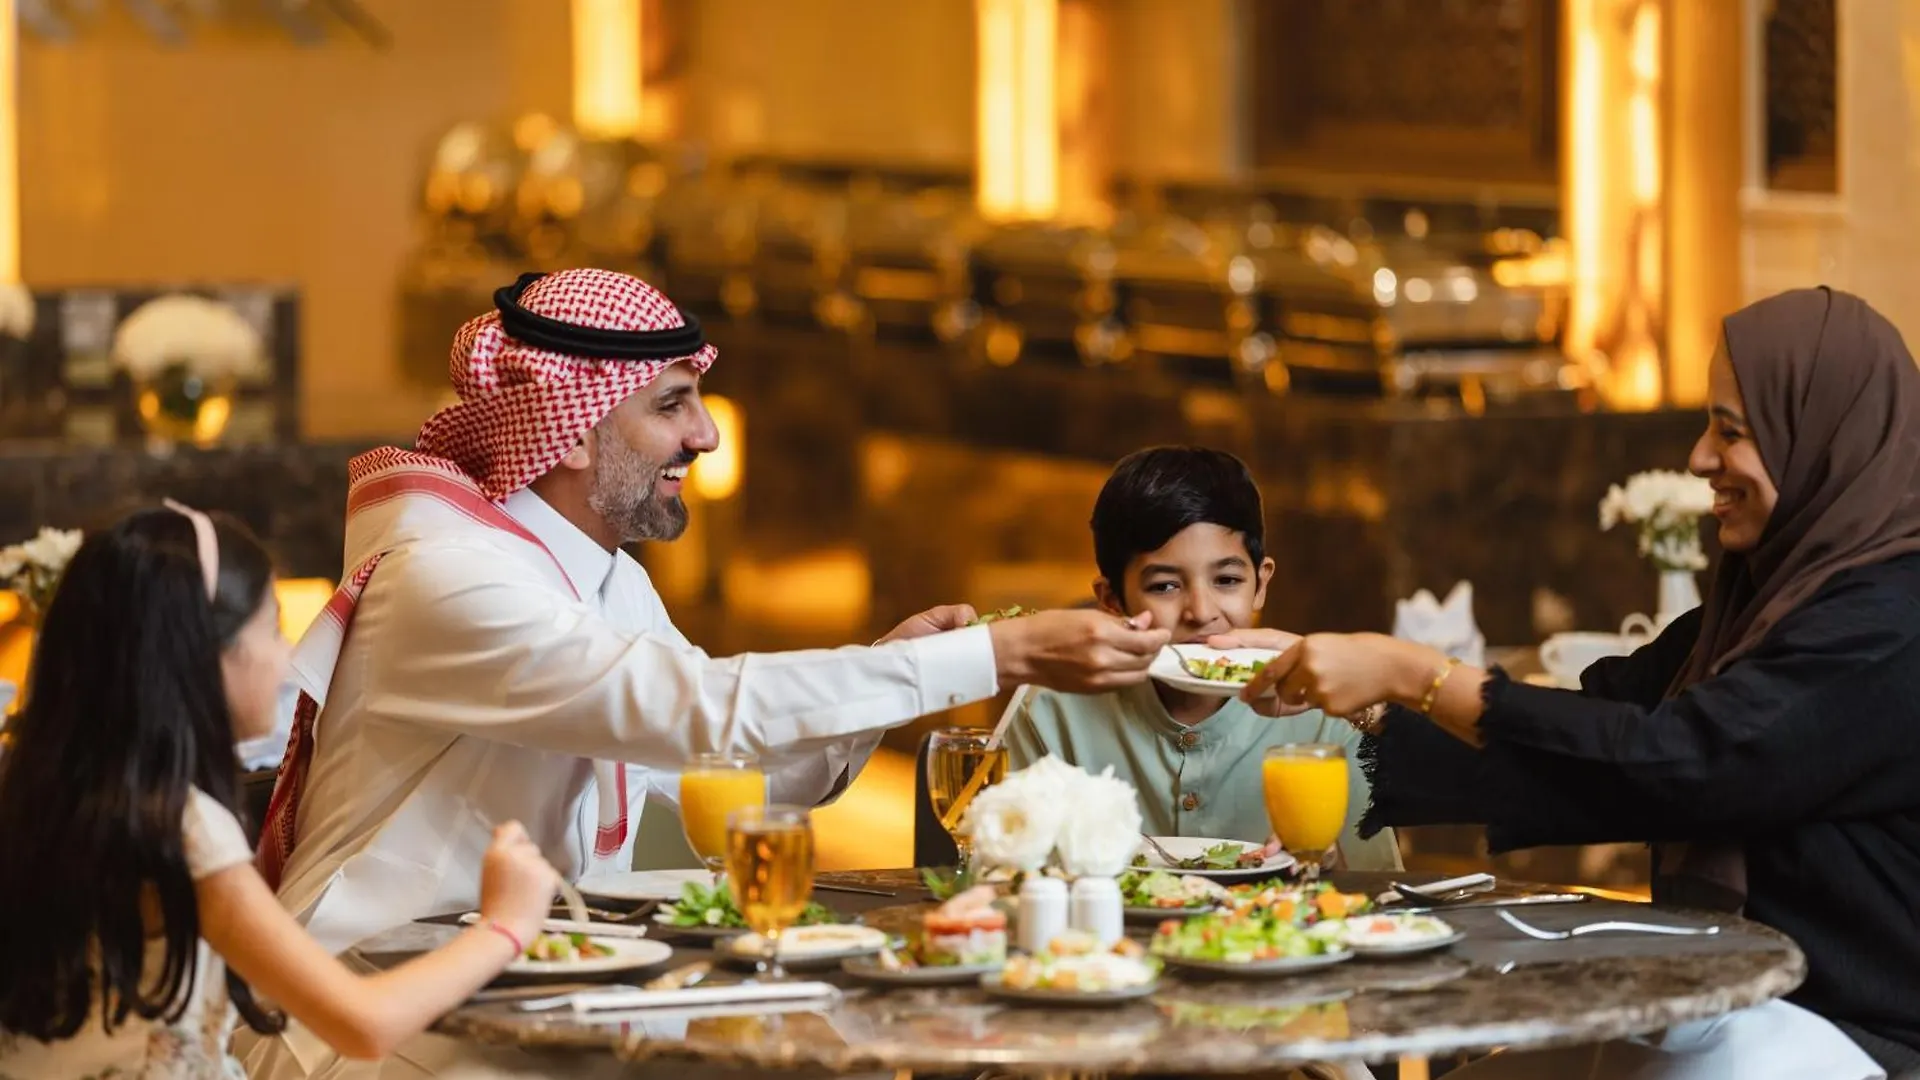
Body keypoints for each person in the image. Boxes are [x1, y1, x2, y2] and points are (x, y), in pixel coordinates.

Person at [244, 270, 1168, 1077]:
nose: (707, 436)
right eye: (671, 404)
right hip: (360, 1012)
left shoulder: (604, 579)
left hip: (516, 985)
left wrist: (881, 685)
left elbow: (727, 774)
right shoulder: (453, 579)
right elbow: (699, 712)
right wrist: (983, 659)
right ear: (568, 434)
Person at [1227, 287, 1920, 1079]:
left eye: (1730, 431)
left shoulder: (1890, 625)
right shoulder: (1769, 598)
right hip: (1721, 997)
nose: (1698, 458)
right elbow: (1599, 722)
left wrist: (1416, 670)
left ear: (1823, 438)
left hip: (1856, 1030)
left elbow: (1682, 765)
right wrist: (1363, 705)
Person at [0, 504, 562, 1078]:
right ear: (205, 654)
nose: (285, 656)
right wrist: (506, 925)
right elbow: (363, 1022)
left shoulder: (39, 795)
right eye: (272, 628)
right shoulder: (185, 831)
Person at [1004, 447, 1398, 870]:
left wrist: (1325, 862)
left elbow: (1378, 890)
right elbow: (1007, 880)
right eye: (1165, 586)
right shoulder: (1049, 712)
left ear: (1260, 584)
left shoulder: (1325, 707)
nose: (1202, 611)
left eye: (1227, 580)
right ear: (1112, 599)